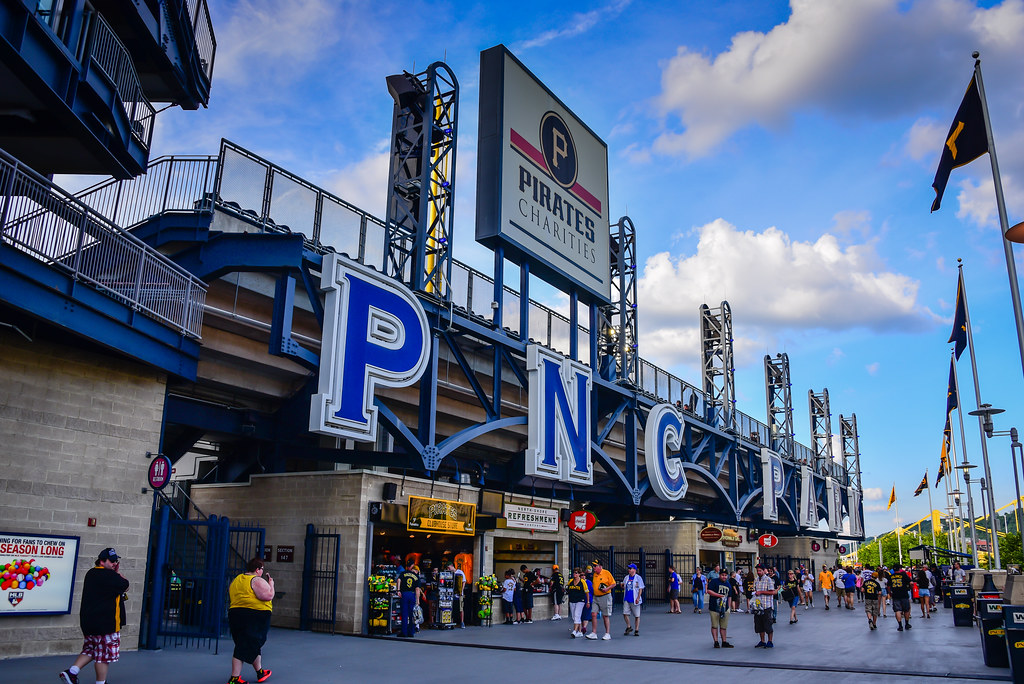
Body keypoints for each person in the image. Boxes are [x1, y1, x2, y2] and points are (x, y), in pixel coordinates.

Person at [60, 547, 130, 684]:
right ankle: (100, 682)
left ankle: (71, 672)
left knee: (91, 649)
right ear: (102, 561)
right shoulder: (110, 576)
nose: (115, 563)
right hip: (106, 623)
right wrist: (117, 573)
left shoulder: (91, 573)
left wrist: (113, 572)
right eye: (112, 561)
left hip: (89, 622)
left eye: (116, 560)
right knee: (103, 656)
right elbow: (125, 585)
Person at [225, 557, 275, 684]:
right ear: (258, 569)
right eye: (262, 569)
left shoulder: (236, 580)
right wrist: (271, 585)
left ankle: (260, 672)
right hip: (255, 615)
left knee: (249, 642)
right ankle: (234, 679)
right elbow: (268, 595)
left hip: (235, 614)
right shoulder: (257, 580)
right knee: (246, 644)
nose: (262, 572)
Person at [706, 568, 734, 648]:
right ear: (719, 575)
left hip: (724, 608)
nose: (724, 577)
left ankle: (724, 641)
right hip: (714, 607)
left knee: (723, 626)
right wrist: (719, 596)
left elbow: (729, 596)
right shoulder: (714, 581)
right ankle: (716, 641)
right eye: (722, 575)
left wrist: (728, 608)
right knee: (714, 625)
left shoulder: (728, 584)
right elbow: (709, 591)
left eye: (725, 575)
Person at [590, 560, 615, 640]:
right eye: (593, 566)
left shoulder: (606, 573)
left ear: (600, 566)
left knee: (605, 615)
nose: (593, 568)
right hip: (595, 597)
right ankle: (594, 633)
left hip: (605, 596)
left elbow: (613, 583)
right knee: (593, 614)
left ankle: (607, 633)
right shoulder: (594, 575)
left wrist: (607, 588)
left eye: (595, 566)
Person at [752, 565, 775, 649]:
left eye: (760, 570)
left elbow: (772, 592)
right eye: (757, 571)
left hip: (766, 605)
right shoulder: (756, 580)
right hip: (758, 606)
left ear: (764, 570)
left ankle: (770, 641)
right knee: (759, 624)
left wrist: (761, 592)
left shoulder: (768, 579)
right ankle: (762, 641)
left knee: (768, 624)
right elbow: (755, 590)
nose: (758, 572)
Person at [621, 563, 645, 636]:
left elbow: (641, 588)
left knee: (637, 615)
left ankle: (636, 629)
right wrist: (622, 586)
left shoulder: (638, 578)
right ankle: (629, 626)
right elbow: (624, 585)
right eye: (628, 568)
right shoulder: (626, 577)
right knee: (625, 613)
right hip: (627, 598)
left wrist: (638, 597)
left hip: (634, 599)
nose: (629, 570)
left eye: (630, 568)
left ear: (634, 570)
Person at [566, 568, 590, 637]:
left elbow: (587, 592)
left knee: (577, 614)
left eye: (576, 573)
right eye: (574, 573)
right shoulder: (570, 581)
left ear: (579, 574)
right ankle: (579, 631)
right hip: (572, 600)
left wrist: (587, 601)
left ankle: (574, 631)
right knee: (574, 616)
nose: (575, 574)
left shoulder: (582, 582)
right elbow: (567, 588)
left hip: (580, 600)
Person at [889, 563, 913, 632]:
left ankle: (900, 625)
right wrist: (910, 587)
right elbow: (910, 583)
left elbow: (888, 585)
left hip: (895, 595)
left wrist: (890, 592)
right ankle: (907, 623)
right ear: (899, 569)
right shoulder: (903, 575)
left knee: (897, 610)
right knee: (906, 609)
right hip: (904, 594)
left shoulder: (891, 576)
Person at [449, 563, 466, 628]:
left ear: (452, 566)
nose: (448, 569)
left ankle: (462, 622)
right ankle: (451, 621)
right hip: (452, 593)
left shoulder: (460, 572)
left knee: (461, 608)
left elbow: (463, 581)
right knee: (451, 607)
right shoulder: (449, 573)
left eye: (449, 567)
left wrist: (461, 590)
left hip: (459, 593)